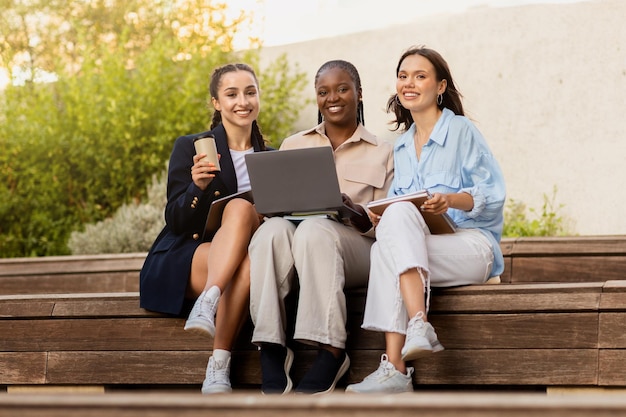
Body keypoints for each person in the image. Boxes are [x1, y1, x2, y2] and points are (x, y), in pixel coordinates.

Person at [345, 46, 506, 394]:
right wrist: (369, 216)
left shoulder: (461, 131)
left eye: (420, 76)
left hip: (474, 246)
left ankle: (399, 364)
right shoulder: (401, 147)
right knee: (392, 225)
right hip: (424, 251)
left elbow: (492, 194)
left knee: (386, 248)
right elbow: (402, 214)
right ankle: (410, 343)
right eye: (403, 76)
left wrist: (450, 200)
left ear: (441, 86)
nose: (409, 83)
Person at [248, 60, 394, 395]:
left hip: (358, 247)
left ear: (358, 94)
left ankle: (331, 351)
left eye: (342, 88)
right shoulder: (293, 144)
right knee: (270, 232)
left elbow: (384, 222)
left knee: (317, 230)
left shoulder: (382, 151)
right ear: (316, 98)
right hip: (298, 241)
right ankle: (271, 345)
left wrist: (352, 209)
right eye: (323, 92)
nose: (333, 98)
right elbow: (274, 213)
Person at [139, 63, 270, 394]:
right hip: (190, 254)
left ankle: (217, 362)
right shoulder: (192, 146)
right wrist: (196, 188)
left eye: (250, 92)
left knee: (250, 261)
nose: (243, 101)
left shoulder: (271, 156)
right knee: (239, 208)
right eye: (231, 94)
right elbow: (176, 220)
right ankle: (211, 299)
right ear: (216, 102)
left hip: (245, 261)